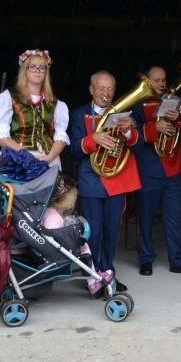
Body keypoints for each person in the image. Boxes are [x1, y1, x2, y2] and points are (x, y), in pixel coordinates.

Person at [69, 70, 141, 293]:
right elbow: (73, 150)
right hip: (91, 179)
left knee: (112, 229)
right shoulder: (79, 114)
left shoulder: (123, 114)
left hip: (117, 179)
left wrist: (127, 131)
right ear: (91, 90)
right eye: (101, 88)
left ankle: (107, 272)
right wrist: (93, 139)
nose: (106, 93)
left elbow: (138, 146)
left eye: (110, 89)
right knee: (93, 229)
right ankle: (92, 275)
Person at [131, 65, 181, 277]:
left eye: (163, 80)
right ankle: (145, 259)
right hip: (148, 169)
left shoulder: (173, 100)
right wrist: (155, 128)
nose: (161, 84)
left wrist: (178, 117)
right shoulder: (136, 103)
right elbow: (132, 135)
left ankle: (177, 260)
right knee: (145, 218)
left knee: (175, 218)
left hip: (172, 169)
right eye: (157, 80)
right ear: (147, 81)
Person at [0, 49, 69, 167]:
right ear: (25, 70)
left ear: (46, 72)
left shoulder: (56, 104)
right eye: (32, 66)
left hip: (48, 159)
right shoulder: (8, 97)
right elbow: (0, 136)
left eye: (42, 67)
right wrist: (25, 155)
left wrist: (49, 158)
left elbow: (61, 137)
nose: (37, 70)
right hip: (16, 157)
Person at [41, 173, 114, 297]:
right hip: (55, 251)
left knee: (84, 246)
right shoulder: (54, 218)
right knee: (84, 248)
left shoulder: (50, 211)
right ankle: (93, 282)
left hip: (53, 247)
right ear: (70, 206)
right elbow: (54, 237)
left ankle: (94, 276)